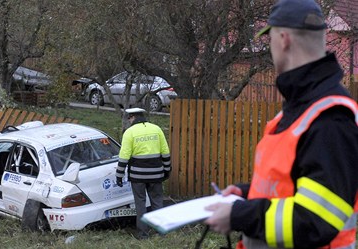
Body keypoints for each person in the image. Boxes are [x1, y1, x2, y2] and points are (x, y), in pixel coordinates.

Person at [204, 0, 358, 248]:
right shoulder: (301, 108)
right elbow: (290, 185)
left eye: (270, 38)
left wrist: (240, 215)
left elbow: (316, 219)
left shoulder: (331, 118)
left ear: (284, 39)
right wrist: (245, 194)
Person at [115, 107, 171, 240]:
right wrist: (167, 170)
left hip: (138, 176)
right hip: (156, 174)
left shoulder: (130, 133)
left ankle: (143, 234)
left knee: (140, 203)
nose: (129, 121)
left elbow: (124, 157)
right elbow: (165, 152)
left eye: (129, 118)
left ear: (133, 117)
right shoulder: (156, 129)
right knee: (157, 201)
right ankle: (161, 231)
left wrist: (119, 175)